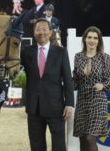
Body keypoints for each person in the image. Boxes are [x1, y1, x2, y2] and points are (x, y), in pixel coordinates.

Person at [21, 18, 74, 151]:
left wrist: (69, 103)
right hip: (34, 108)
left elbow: (68, 79)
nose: (41, 32)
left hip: (56, 108)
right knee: (36, 145)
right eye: (38, 29)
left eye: (45, 29)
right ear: (34, 32)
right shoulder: (26, 52)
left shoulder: (61, 52)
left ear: (50, 33)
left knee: (59, 145)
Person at [72, 26, 110, 151]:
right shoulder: (78, 57)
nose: (92, 40)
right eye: (89, 37)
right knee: (83, 139)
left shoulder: (105, 57)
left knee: (90, 138)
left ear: (99, 41)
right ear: (84, 39)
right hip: (83, 101)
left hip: (98, 101)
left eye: (95, 38)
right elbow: (75, 81)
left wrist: (102, 85)